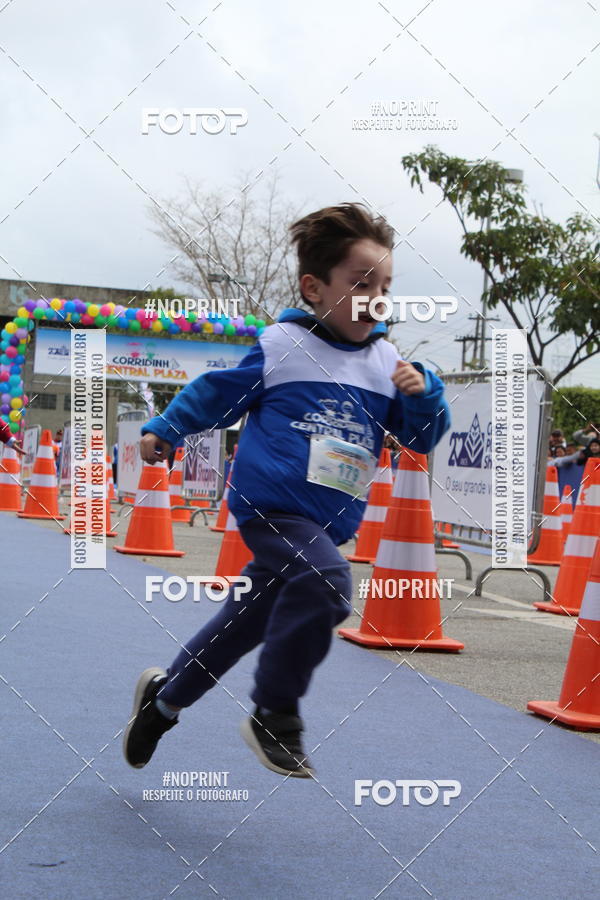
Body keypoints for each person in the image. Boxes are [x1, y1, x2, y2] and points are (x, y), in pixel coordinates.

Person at [123, 203, 451, 778]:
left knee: (241, 625)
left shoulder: (388, 363)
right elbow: (217, 392)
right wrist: (167, 427)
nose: (376, 299)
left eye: (385, 287)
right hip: (272, 508)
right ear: (314, 288)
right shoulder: (282, 346)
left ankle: (164, 701)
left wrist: (424, 395)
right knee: (327, 583)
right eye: (361, 283)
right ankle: (276, 712)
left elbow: (421, 437)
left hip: (326, 522)